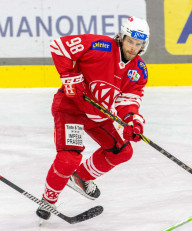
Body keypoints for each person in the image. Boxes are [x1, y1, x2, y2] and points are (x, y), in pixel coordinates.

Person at [36, 16, 150, 220]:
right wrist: (70, 77)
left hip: (98, 114)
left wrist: (132, 120)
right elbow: (59, 47)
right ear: (122, 37)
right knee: (69, 157)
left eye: (138, 43)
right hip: (72, 106)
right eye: (130, 41)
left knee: (122, 151)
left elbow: (128, 101)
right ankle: (48, 200)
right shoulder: (100, 46)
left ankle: (80, 177)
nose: (133, 47)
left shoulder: (138, 71)